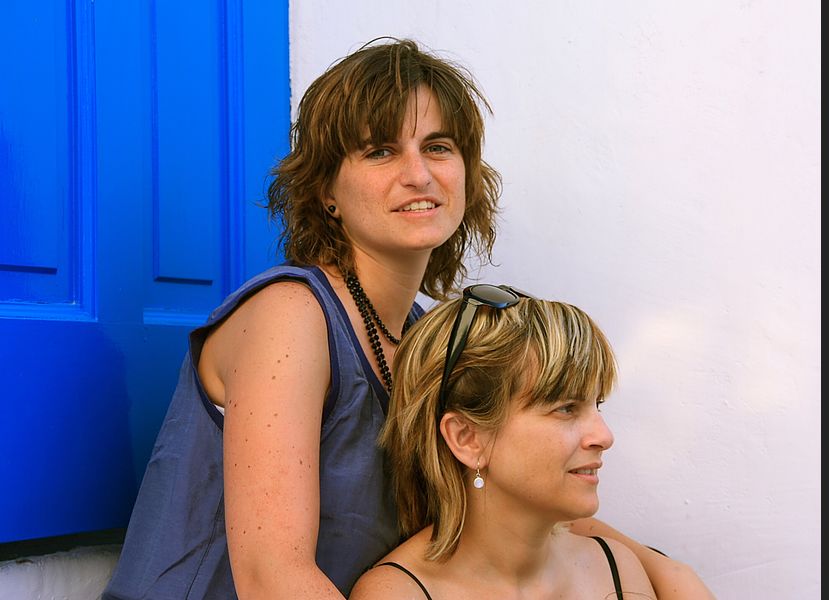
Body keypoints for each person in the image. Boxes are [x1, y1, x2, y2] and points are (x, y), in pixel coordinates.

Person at [103, 38, 711, 599]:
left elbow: (520, 484)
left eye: (439, 147)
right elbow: (274, 576)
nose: (418, 174)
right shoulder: (291, 315)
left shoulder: (427, 331)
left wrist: (665, 572)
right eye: (381, 150)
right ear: (325, 190)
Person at [351, 287, 657, 599]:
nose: (604, 437)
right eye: (566, 408)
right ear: (467, 438)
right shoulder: (398, 594)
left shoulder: (619, 570)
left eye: (598, 405)